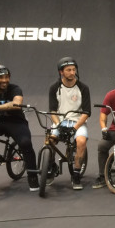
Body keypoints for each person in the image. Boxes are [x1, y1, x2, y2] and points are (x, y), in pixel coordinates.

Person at [48, 57, 91, 190]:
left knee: (81, 142)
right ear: (61, 72)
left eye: (74, 69)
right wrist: (58, 125)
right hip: (60, 122)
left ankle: (76, 174)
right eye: (68, 70)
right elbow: (53, 111)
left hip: (78, 122)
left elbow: (86, 113)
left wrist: (74, 128)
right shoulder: (54, 88)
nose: (72, 72)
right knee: (49, 141)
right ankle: (51, 166)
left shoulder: (83, 88)